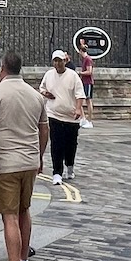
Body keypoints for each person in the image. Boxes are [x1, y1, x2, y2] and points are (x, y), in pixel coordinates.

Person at [0, 51, 49, 261]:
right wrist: (39, 156)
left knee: (9, 217)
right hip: (30, 162)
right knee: (24, 211)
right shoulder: (35, 95)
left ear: (2, 67)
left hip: (6, 163)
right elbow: (44, 130)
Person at [39, 50, 84, 184]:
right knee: (56, 144)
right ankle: (57, 172)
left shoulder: (73, 76)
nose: (58, 63)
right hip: (54, 114)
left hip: (70, 117)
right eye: (55, 61)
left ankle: (69, 166)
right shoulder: (49, 75)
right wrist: (46, 93)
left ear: (65, 61)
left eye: (60, 60)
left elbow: (80, 94)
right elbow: (41, 88)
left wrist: (77, 109)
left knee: (70, 145)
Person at [78, 45, 95, 127]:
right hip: (84, 82)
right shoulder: (84, 59)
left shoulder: (88, 59)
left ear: (81, 51)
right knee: (80, 99)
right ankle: (83, 118)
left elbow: (89, 71)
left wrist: (80, 73)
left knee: (88, 101)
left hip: (88, 82)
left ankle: (89, 120)